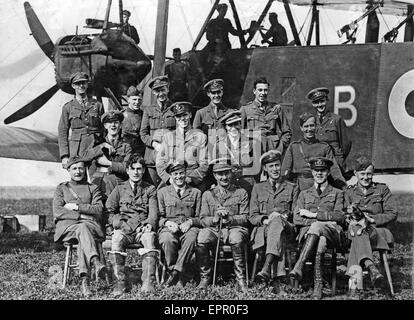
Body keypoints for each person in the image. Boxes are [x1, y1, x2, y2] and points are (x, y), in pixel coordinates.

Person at [289, 157, 346, 299]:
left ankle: (299, 267)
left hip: (332, 234)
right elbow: (296, 218)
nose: (319, 173)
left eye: (323, 170)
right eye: (316, 171)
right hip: (309, 234)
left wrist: (312, 215)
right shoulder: (304, 194)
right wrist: (322, 221)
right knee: (320, 239)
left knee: (317, 227)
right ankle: (319, 285)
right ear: (312, 172)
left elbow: (339, 216)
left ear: (328, 172)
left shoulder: (337, 193)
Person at [105, 154, 159, 296]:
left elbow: (153, 213)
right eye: (132, 168)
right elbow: (108, 211)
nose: (136, 172)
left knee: (149, 238)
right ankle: (119, 284)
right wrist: (117, 222)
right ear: (127, 170)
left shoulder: (150, 189)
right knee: (116, 239)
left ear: (144, 171)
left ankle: (148, 284)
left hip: (142, 229)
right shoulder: (119, 189)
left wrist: (149, 225)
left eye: (139, 169)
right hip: (124, 229)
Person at [52, 156, 107, 297]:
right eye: (74, 168)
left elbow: (98, 210)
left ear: (86, 170)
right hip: (68, 229)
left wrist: (76, 207)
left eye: (81, 168)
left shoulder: (93, 188)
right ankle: (95, 261)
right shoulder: (61, 188)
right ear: (69, 171)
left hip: (89, 228)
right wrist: (81, 215)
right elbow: (58, 211)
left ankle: (85, 282)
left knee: (83, 232)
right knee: (83, 230)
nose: (78, 172)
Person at [344, 156, 397, 298]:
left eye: (369, 174)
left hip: (378, 232)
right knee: (357, 232)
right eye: (362, 174)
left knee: (358, 236)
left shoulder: (382, 189)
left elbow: (392, 213)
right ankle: (372, 268)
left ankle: (354, 288)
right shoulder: (348, 192)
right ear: (355, 173)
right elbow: (343, 213)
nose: (366, 177)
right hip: (355, 230)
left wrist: (371, 219)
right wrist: (350, 220)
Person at [196, 158, 250, 293]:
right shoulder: (208, 195)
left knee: (236, 237)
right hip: (215, 229)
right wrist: (215, 219)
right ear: (215, 176)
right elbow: (202, 219)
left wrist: (230, 219)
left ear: (231, 173)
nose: (224, 177)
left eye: (227, 173)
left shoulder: (241, 192)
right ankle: (205, 278)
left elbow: (245, 217)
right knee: (202, 237)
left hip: (235, 228)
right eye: (220, 174)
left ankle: (240, 279)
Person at [249, 150, 299, 292]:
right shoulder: (258, 188)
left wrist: (283, 217)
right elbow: (252, 216)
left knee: (278, 221)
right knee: (276, 229)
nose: (275, 169)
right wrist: (265, 220)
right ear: (265, 168)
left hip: (287, 228)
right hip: (263, 230)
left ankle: (266, 268)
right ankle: (279, 278)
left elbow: (295, 214)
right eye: (271, 166)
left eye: (277, 165)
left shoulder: (292, 187)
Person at [157, 161, 202, 287]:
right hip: (169, 227)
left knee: (191, 238)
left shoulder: (196, 192)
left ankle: (176, 273)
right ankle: (173, 271)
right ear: (171, 175)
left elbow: (200, 217)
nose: (179, 176)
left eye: (181, 173)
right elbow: (159, 217)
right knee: (167, 239)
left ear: (186, 173)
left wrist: (190, 222)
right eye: (175, 173)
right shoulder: (162, 192)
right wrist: (167, 222)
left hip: (189, 227)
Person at [281, 112, 346, 191]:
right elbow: (285, 171)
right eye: (306, 126)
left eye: (312, 125)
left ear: (316, 127)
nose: (309, 129)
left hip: (320, 186)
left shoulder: (324, 147)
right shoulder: (294, 147)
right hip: (300, 187)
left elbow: (334, 170)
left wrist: (344, 187)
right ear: (301, 128)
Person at [156, 101, 208, 191]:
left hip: (193, 179)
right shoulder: (168, 137)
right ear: (175, 118)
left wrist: (191, 179)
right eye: (178, 116)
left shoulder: (200, 137)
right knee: (159, 195)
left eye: (185, 115)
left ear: (190, 115)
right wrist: (169, 179)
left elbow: (205, 164)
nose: (182, 119)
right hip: (173, 177)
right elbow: (160, 163)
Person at [58, 72, 105, 169]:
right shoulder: (68, 107)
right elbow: (62, 132)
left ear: (87, 84)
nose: (81, 86)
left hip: (95, 147)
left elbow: (104, 128)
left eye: (83, 83)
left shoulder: (97, 105)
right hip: (77, 150)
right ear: (73, 86)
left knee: (96, 178)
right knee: (78, 177)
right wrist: (64, 155)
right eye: (78, 83)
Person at [83, 110, 131, 199]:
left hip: (117, 184)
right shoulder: (97, 142)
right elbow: (85, 157)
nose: (113, 125)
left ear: (120, 125)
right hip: (99, 183)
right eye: (109, 122)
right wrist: (101, 146)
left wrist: (108, 163)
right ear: (105, 126)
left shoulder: (126, 145)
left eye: (116, 122)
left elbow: (127, 167)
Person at [240, 77, 291, 155]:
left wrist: (280, 148)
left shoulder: (276, 108)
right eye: (260, 90)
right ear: (254, 91)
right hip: (254, 152)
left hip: (273, 151)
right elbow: (239, 133)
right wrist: (248, 149)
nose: (263, 93)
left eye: (265, 90)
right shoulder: (245, 109)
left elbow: (287, 132)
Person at [140, 75, 176, 186]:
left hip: (171, 158)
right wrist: (154, 143)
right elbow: (143, 133)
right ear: (154, 93)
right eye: (157, 91)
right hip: (152, 159)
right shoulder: (148, 110)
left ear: (168, 89)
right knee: (153, 188)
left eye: (163, 89)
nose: (161, 93)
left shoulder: (175, 108)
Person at [213, 110, 259, 195]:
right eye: (230, 125)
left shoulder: (252, 143)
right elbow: (215, 169)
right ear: (225, 127)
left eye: (236, 124)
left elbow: (257, 168)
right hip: (228, 186)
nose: (233, 128)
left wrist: (242, 172)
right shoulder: (219, 145)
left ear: (240, 125)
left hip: (248, 185)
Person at [307, 87, 352, 173]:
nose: (320, 105)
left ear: (327, 100)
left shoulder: (336, 119)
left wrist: (339, 157)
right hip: (318, 163)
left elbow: (346, 143)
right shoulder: (311, 121)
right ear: (313, 104)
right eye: (316, 102)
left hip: (336, 162)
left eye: (322, 101)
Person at [122, 86, 146, 157]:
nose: (137, 102)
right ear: (128, 100)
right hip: (126, 151)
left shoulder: (144, 115)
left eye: (139, 100)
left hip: (141, 151)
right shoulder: (122, 115)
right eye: (134, 99)